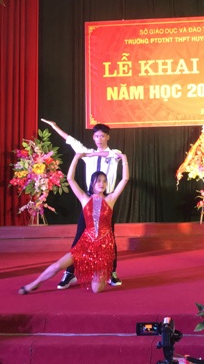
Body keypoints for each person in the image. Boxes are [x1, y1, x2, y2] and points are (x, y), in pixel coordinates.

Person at [17, 151, 129, 294]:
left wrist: (124, 158)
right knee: (58, 265)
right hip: (86, 243)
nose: (102, 184)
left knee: (96, 289)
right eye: (98, 181)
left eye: (104, 181)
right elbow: (70, 179)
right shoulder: (84, 199)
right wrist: (76, 157)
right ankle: (34, 284)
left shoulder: (110, 199)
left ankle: (94, 268)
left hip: (104, 247)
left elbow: (125, 179)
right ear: (92, 183)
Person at [40, 118, 124, 289]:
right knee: (80, 236)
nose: (99, 139)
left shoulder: (114, 153)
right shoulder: (87, 153)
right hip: (89, 200)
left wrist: (89, 155)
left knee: (109, 237)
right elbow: (70, 140)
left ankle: (111, 272)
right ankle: (70, 273)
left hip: (108, 199)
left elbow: (112, 155)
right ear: (93, 137)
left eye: (102, 136)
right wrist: (55, 126)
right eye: (97, 136)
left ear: (107, 137)